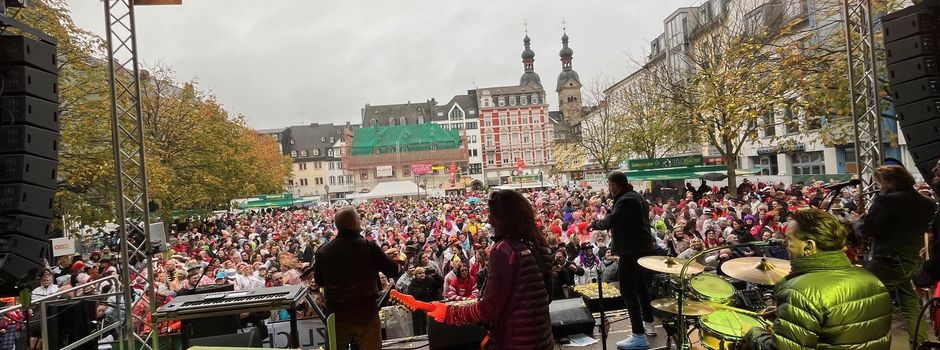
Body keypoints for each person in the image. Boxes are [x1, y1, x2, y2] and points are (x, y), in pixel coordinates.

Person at [745, 209, 891, 349]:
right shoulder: (872, 280)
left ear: (809, 246)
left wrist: (753, 333)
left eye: (789, 239)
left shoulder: (800, 292)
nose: (785, 243)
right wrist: (792, 315)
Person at [427, 190, 554, 349]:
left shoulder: (504, 250)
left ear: (500, 218)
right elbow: (547, 297)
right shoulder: (536, 245)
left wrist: (450, 313)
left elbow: (488, 310)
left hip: (514, 343)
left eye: (491, 214)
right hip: (541, 340)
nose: (489, 219)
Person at [862, 165, 937, 345]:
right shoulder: (928, 203)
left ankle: (870, 343)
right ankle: (920, 344)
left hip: (887, 261)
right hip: (914, 261)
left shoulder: (885, 201)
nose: (879, 186)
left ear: (890, 181)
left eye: (880, 182)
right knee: (911, 305)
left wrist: (860, 223)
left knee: (867, 301)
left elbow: (871, 229)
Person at [311, 207, 399, 350]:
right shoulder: (368, 247)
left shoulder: (323, 251)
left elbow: (319, 281)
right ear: (355, 224)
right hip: (366, 314)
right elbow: (393, 270)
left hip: (337, 314)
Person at [591, 171, 657, 348]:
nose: (609, 189)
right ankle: (649, 324)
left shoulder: (625, 200)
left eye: (609, 185)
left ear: (614, 185)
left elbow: (610, 221)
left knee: (627, 291)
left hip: (631, 250)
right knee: (641, 287)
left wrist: (595, 223)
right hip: (642, 248)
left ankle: (638, 336)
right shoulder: (637, 197)